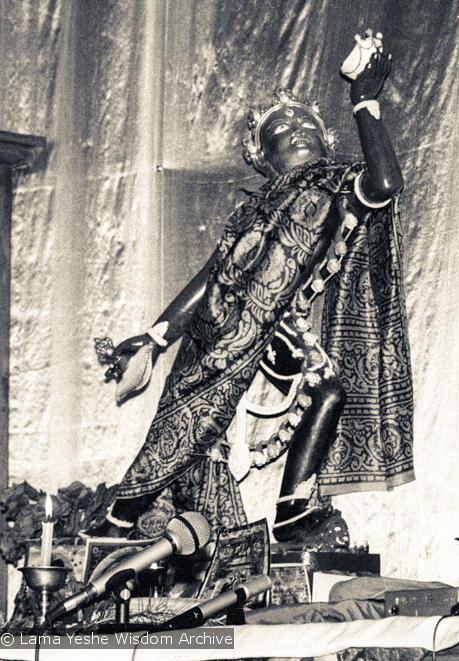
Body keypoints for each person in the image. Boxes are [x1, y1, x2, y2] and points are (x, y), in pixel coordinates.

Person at [92, 31, 412, 543]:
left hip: (278, 322)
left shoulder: (335, 183)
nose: (296, 129)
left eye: (305, 123)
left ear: (325, 140)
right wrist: (155, 338)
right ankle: (119, 522)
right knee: (191, 423)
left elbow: (386, 184)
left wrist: (364, 101)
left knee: (328, 392)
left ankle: (290, 508)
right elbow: (211, 277)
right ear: (262, 156)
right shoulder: (249, 212)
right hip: (223, 327)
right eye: (280, 127)